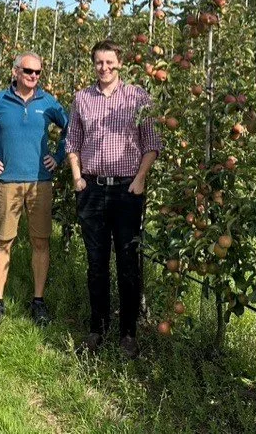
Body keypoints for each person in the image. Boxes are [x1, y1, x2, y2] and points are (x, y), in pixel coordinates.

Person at [66, 39, 161, 358]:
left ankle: (128, 334)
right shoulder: (82, 98)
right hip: (92, 188)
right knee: (96, 263)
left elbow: (152, 142)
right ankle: (98, 328)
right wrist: (77, 177)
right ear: (93, 64)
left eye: (109, 62)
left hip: (126, 190)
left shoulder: (137, 96)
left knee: (128, 263)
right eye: (99, 62)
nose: (104, 67)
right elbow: (72, 142)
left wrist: (140, 179)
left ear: (119, 63)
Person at [0, 51, 68, 328]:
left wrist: (58, 157)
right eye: (28, 71)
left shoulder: (48, 102)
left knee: (41, 241)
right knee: (3, 242)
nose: (33, 76)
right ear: (16, 71)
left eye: (38, 72)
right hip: (7, 183)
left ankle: (38, 301)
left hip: (40, 183)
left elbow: (71, 129)